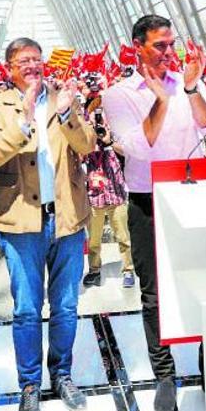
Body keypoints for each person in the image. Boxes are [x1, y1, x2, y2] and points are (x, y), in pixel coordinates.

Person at [101, 15, 206, 411]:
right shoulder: (119, 95)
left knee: (205, 282)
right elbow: (137, 145)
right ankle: (165, 375)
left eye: (172, 44)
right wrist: (162, 101)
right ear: (138, 47)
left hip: (194, 196)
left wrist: (189, 88)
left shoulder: (187, 83)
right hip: (147, 202)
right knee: (154, 296)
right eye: (160, 46)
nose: (169, 52)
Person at [0, 37, 95, 411]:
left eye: (36, 59)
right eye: (23, 61)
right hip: (20, 221)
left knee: (65, 305)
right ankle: (29, 383)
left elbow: (88, 145)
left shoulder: (63, 96)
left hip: (66, 218)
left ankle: (61, 374)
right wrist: (25, 117)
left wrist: (66, 114)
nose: (32, 66)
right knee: (27, 309)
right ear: (10, 68)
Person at [82, 113, 134, 288]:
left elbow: (127, 153)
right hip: (95, 195)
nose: (98, 124)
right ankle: (94, 270)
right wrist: (90, 137)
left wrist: (109, 141)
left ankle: (128, 269)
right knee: (94, 239)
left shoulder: (116, 135)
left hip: (115, 193)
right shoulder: (87, 136)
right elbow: (80, 155)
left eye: (101, 119)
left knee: (123, 236)